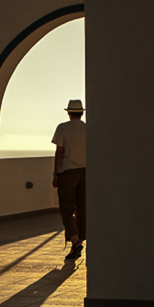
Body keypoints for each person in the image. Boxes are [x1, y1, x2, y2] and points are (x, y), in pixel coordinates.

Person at [52, 99, 86, 260]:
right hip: (86, 173)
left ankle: (75, 241)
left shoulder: (62, 128)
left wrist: (56, 173)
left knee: (66, 209)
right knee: (83, 208)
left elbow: (60, 151)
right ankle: (81, 239)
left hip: (68, 173)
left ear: (68, 112)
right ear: (82, 112)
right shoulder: (87, 129)